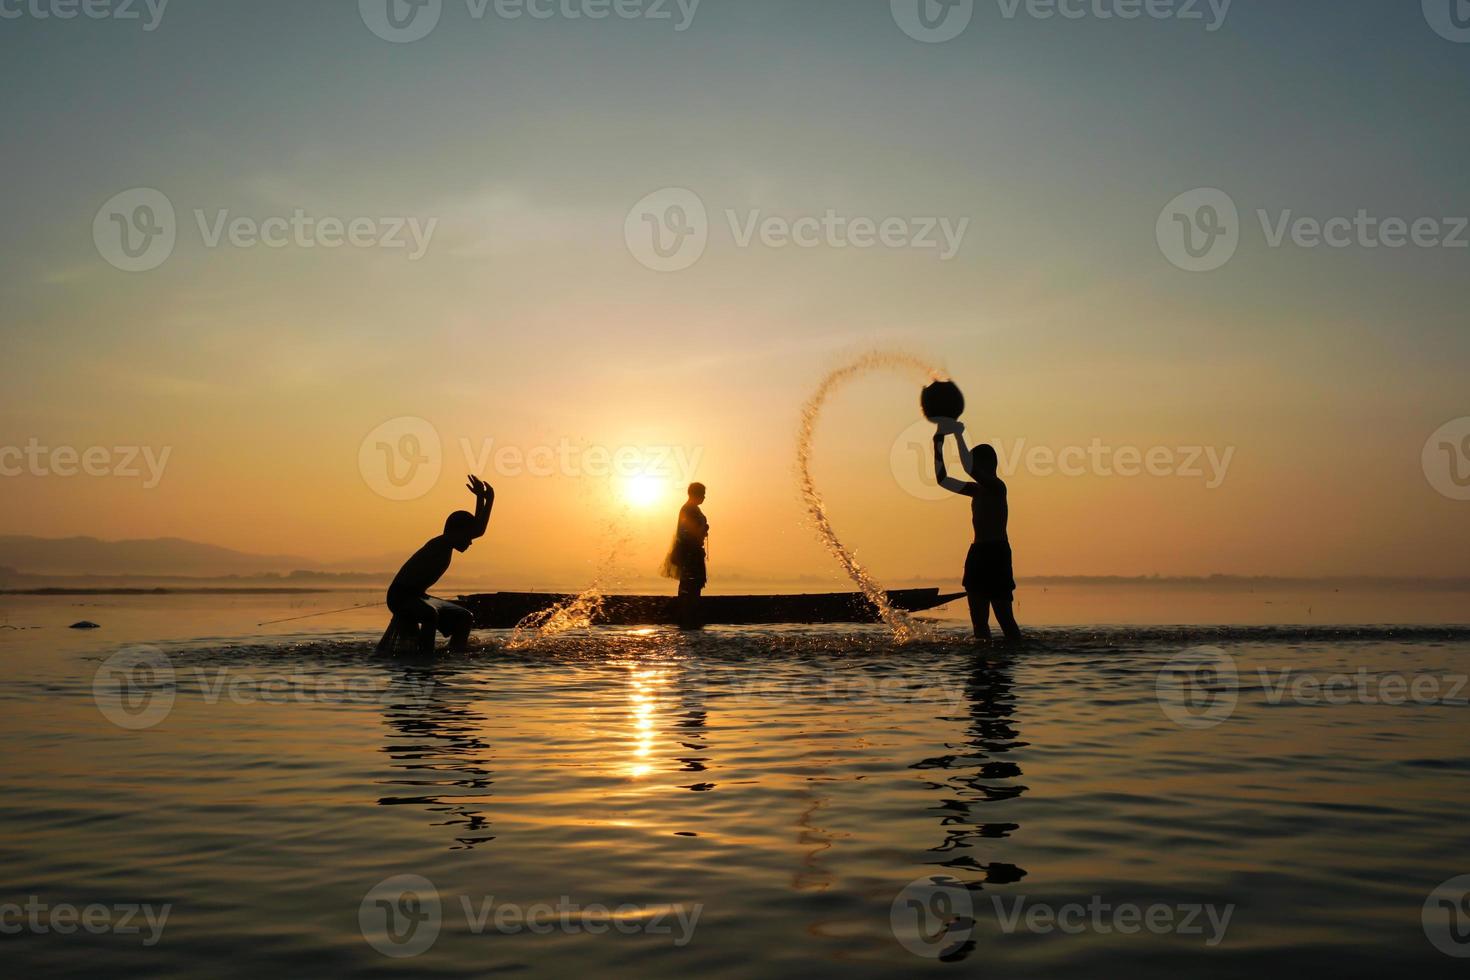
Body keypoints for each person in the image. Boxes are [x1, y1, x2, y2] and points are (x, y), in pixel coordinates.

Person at [385, 475, 494, 654]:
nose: (470, 542)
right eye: (467, 537)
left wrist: (480, 498)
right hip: (399, 597)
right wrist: (488, 499)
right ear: (457, 532)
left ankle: (455, 653)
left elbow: (474, 529)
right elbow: (478, 530)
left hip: (419, 596)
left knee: (464, 617)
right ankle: (425, 655)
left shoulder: (448, 544)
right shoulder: (442, 543)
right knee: (430, 614)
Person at [933, 423, 1022, 642]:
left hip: (997, 554)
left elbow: (968, 468)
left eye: (977, 465)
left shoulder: (997, 487)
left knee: (1004, 618)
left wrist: (958, 435)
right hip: (977, 553)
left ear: (988, 464)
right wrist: (938, 443)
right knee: (979, 623)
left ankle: (1013, 653)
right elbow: (942, 480)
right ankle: (980, 661)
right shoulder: (975, 490)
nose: (975, 472)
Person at [661, 482, 709, 629]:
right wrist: (703, 528)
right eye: (702, 494)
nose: (704, 497)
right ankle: (688, 617)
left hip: (692, 551)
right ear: (696, 494)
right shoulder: (689, 510)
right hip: (690, 552)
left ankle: (689, 616)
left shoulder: (692, 509)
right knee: (691, 584)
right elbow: (688, 532)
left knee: (692, 584)